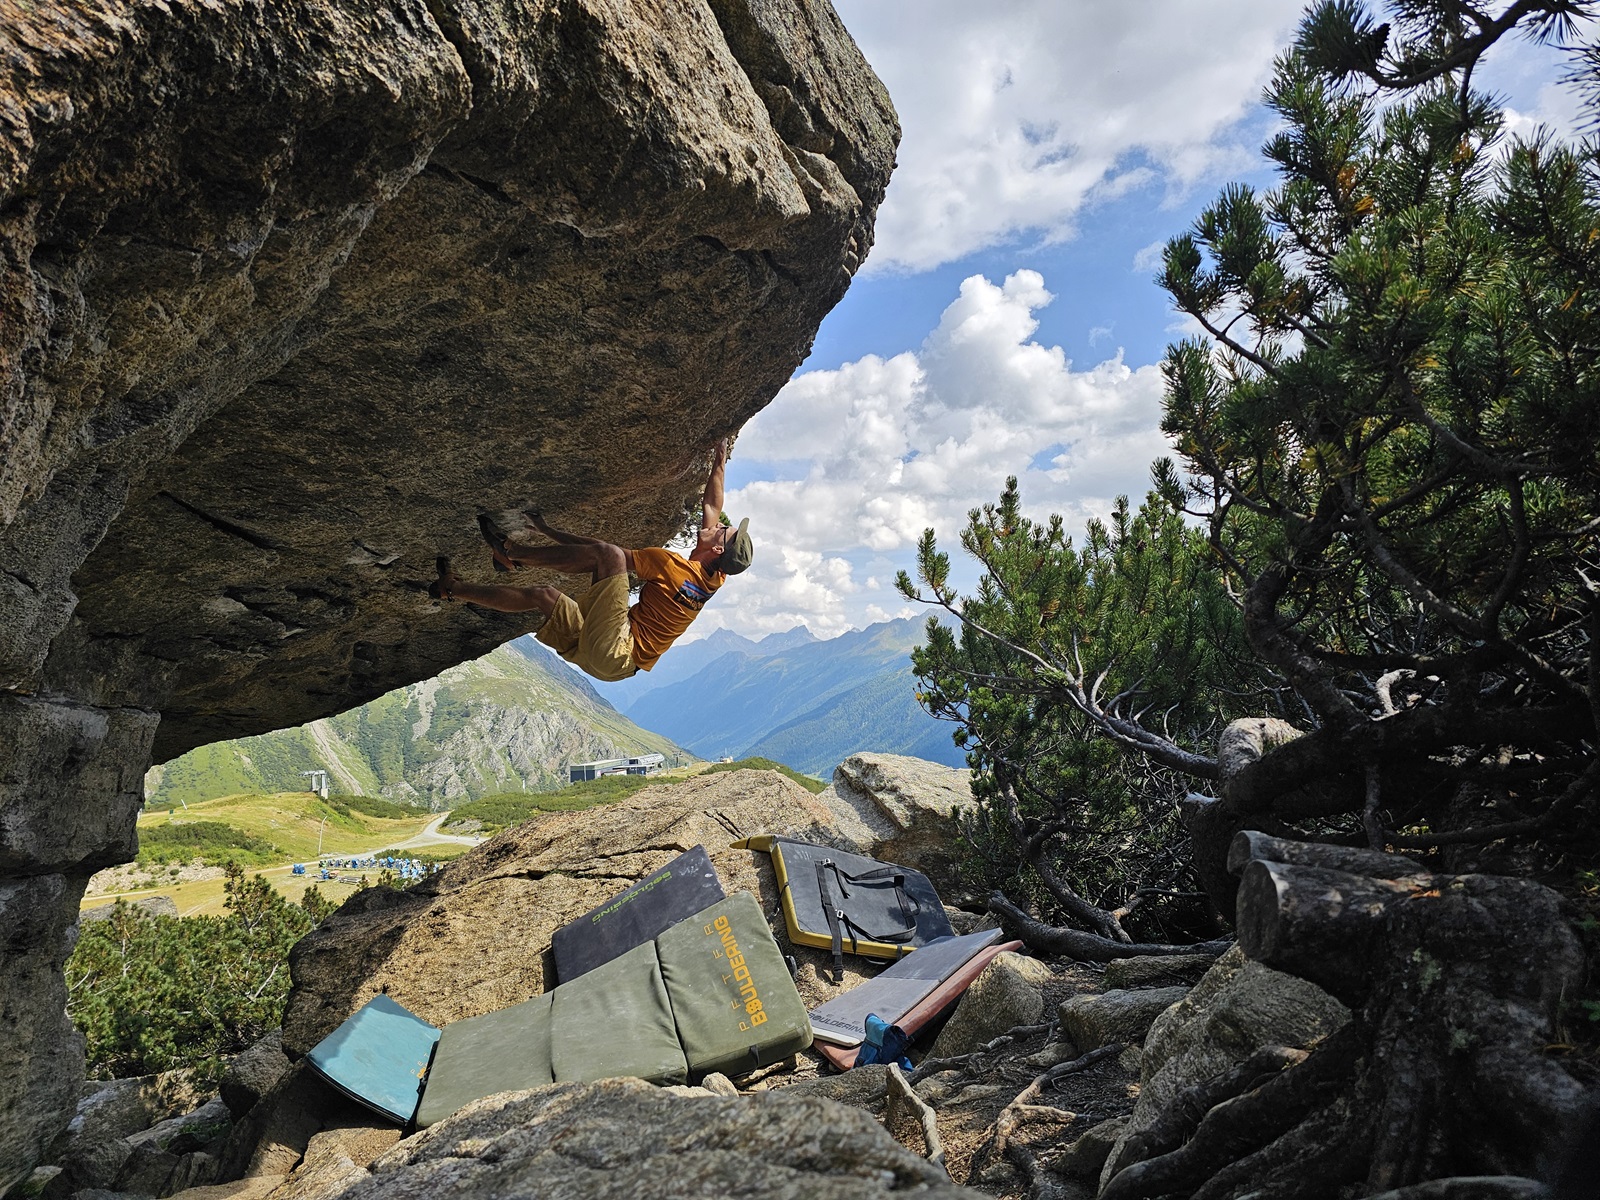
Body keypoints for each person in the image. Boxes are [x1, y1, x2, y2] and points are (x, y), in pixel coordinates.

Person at [430, 438, 752, 681]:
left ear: (718, 549)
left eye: (724, 529)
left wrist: (546, 534)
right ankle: (452, 588)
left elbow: (601, 553)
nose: (719, 524)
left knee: (610, 555)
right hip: (612, 664)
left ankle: (512, 553)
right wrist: (719, 459)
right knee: (541, 596)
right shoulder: (715, 576)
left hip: (616, 648)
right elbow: (712, 503)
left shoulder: (672, 566)